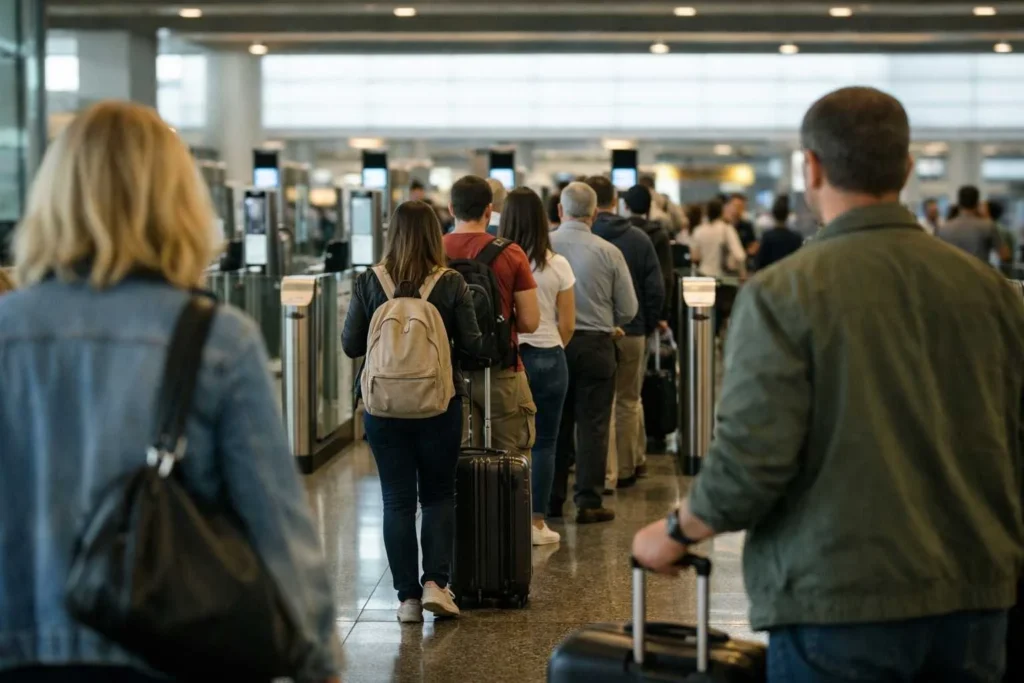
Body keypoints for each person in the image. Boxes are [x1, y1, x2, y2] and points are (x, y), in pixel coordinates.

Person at [632, 86, 1024, 683]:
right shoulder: (994, 294)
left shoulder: (784, 293)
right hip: (976, 596)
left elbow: (752, 460)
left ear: (811, 167)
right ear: (908, 168)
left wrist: (675, 532)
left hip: (838, 598)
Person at [0, 101, 339, 682]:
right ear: (178, 201)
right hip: (167, 652)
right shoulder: (216, 340)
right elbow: (278, 528)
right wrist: (319, 659)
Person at [343, 201, 482, 624]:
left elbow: (351, 345)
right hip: (438, 403)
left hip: (383, 408)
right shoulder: (452, 282)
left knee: (396, 500)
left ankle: (406, 600)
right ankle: (436, 585)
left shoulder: (369, 280)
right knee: (439, 494)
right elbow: (475, 346)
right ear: (433, 234)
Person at [549, 182, 638, 523]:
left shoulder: (543, 246)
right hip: (597, 345)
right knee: (594, 426)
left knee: (554, 424)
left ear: (560, 210)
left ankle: (551, 499)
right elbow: (629, 308)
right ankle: (588, 501)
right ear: (596, 213)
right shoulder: (609, 251)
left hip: (554, 342)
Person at [443, 176, 540, 460]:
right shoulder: (510, 252)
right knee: (511, 461)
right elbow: (530, 321)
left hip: (448, 374)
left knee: (454, 463)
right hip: (501, 369)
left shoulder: (433, 251)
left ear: (451, 208)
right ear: (489, 210)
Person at [499, 188, 575, 545]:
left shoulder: (498, 261)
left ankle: (504, 516)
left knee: (505, 443)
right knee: (544, 442)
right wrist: (551, 345)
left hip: (509, 358)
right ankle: (537, 523)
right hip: (549, 356)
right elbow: (568, 324)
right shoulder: (557, 264)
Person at [587, 176, 665, 490]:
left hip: (592, 332)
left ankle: (600, 472)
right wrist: (647, 324)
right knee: (629, 401)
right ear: (615, 201)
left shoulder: (584, 238)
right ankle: (627, 469)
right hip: (633, 331)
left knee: (596, 406)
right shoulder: (639, 238)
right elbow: (655, 288)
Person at [623, 184, 674, 320]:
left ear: (625, 206)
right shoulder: (658, 234)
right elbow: (666, 278)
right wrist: (662, 315)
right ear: (649, 207)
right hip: (648, 313)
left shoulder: (619, 233)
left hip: (621, 313)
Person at [937, 185, 1011, 265]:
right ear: (977, 202)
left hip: (951, 276)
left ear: (959, 202)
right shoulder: (987, 225)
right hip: (979, 275)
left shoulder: (943, 228)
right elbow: (1005, 256)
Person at [690, 198, 747, 278]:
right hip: (722, 277)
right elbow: (739, 255)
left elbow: (695, 256)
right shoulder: (726, 229)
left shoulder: (698, 230)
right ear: (721, 212)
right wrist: (743, 274)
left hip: (703, 274)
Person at [754, 195, 803, 270]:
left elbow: (760, 263)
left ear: (773, 214)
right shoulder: (796, 238)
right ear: (787, 215)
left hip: (770, 277)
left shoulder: (767, 236)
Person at [725, 193, 759, 260]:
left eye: (742, 207)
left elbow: (753, 245)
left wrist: (745, 254)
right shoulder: (723, 226)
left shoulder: (747, 226)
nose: (739, 209)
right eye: (736, 206)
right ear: (729, 206)